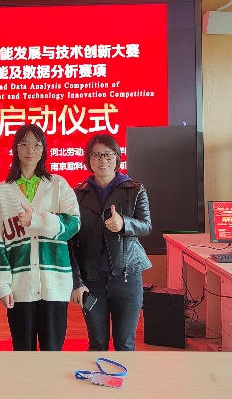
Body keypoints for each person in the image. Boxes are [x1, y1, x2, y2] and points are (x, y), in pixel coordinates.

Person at [0, 124, 80, 351]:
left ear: (43, 150)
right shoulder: (2, 191)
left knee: (52, 351)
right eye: (24, 144)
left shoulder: (58, 184)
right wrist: (2, 285)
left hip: (55, 283)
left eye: (37, 145)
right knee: (23, 352)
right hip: (20, 285)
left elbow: (74, 225)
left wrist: (37, 220)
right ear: (15, 149)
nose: (30, 150)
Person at [69, 134, 152, 351]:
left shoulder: (135, 190)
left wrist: (124, 223)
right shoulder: (78, 195)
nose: (102, 160)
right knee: (97, 342)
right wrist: (77, 282)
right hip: (92, 283)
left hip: (128, 280)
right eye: (96, 155)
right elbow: (71, 244)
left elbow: (146, 226)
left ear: (117, 157)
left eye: (108, 154)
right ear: (88, 159)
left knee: (125, 343)